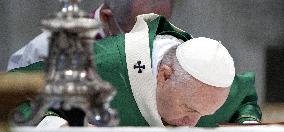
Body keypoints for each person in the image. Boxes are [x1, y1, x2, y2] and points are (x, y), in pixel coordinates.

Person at [11, 14, 262, 127]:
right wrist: (55, 127)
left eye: (205, 114)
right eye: (189, 109)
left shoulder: (207, 88)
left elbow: (245, 98)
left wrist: (247, 122)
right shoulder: (102, 63)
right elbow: (14, 91)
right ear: (164, 75)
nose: (191, 124)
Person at [7, 0, 174, 71]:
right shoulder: (50, 47)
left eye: (160, 26)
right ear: (107, 17)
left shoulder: (166, 46)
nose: (151, 39)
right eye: (140, 30)